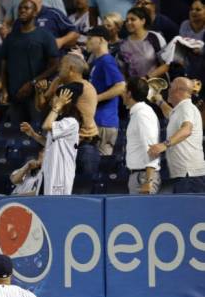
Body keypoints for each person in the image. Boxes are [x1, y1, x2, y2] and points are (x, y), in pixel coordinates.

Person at [37, 54, 99, 175]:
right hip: (84, 146)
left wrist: (54, 85)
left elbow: (47, 113)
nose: (58, 69)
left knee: (79, 190)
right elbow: (42, 106)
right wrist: (41, 92)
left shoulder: (73, 88)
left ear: (71, 69)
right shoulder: (85, 84)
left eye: (62, 66)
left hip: (81, 148)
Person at [0, 0, 60, 124]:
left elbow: (55, 65)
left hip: (37, 95)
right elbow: (3, 65)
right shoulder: (10, 37)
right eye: (20, 8)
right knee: (15, 135)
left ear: (35, 13)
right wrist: (4, 89)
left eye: (26, 8)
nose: (22, 10)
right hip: (15, 95)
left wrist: (33, 82)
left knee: (37, 132)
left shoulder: (45, 36)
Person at [148, 77, 205, 193]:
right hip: (185, 175)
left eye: (170, 88)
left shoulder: (186, 107)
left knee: (188, 210)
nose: (168, 90)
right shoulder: (181, 109)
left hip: (189, 176)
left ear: (178, 90)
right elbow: (170, 114)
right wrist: (160, 101)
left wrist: (164, 145)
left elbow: (186, 130)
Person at [22, 88, 79, 194]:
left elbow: (46, 125)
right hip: (48, 171)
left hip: (60, 175)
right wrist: (33, 134)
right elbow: (49, 144)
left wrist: (58, 105)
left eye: (55, 97)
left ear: (65, 100)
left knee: (56, 207)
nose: (52, 100)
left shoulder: (71, 122)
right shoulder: (60, 122)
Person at [86, 26, 126, 155]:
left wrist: (96, 99)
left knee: (101, 165)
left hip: (104, 121)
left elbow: (121, 86)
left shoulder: (107, 61)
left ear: (101, 40)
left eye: (90, 38)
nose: (87, 42)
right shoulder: (98, 62)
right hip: (98, 120)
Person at [123, 77, 161, 194]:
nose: (122, 94)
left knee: (142, 212)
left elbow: (152, 148)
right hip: (140, 176)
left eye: (124, 91)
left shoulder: (142, 114)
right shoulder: (138, 113)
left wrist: (148, 181)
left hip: (144, 177)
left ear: (129, 94)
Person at [8, 0, 79, 50]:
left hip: (53, 62)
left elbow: (75, 33)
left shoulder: (54, 14)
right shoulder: (19, 21)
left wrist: (61, 41)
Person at [117, 7, 168, 79]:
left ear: (143, 21)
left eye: (133, 19)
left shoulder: (154, 37)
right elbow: (122, 71)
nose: (128, 23)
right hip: (135, 87)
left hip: (156, 84)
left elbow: (166, 64)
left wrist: (147, 78)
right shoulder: (123, 44)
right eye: (127, 20)